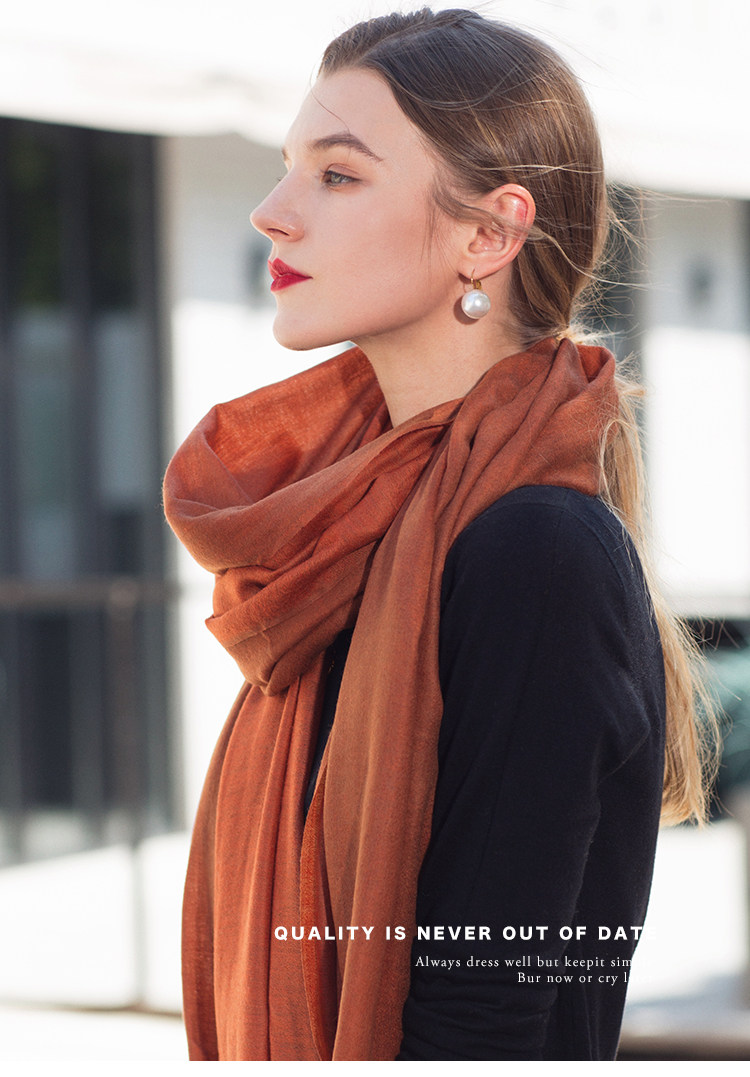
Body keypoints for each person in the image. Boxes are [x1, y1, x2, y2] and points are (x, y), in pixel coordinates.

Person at [163, 8, 716, 1061]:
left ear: (488, 235)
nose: (272, 214)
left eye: (338, 175)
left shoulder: (538, 555)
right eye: (288, 170)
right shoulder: (341, 532)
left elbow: (482, 1023)